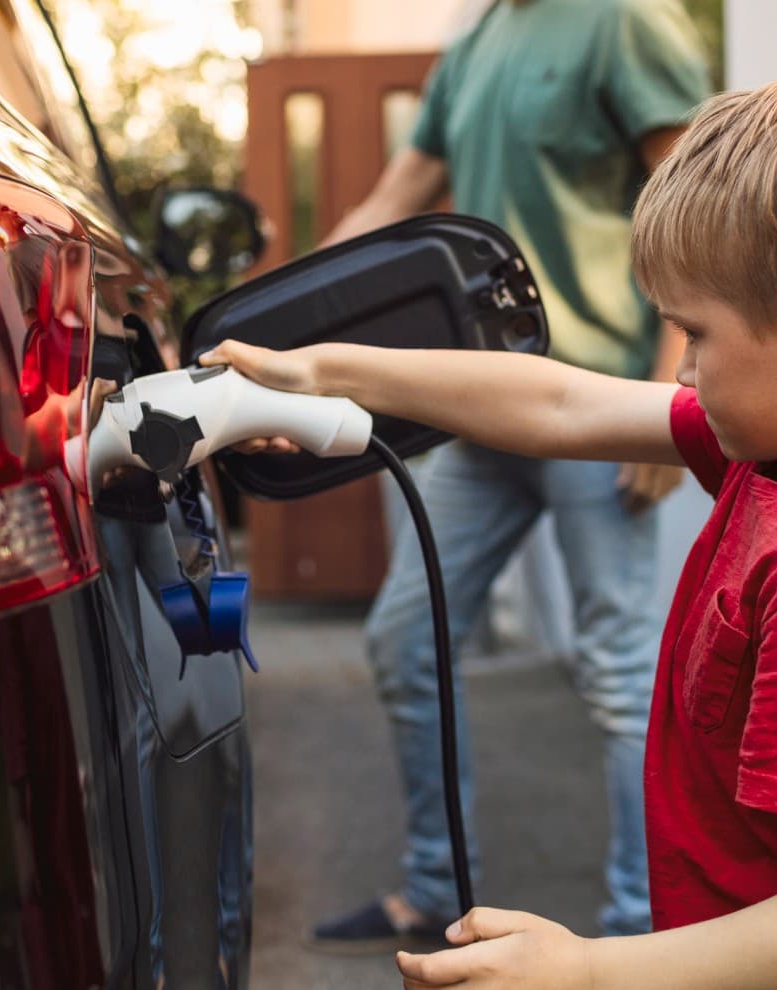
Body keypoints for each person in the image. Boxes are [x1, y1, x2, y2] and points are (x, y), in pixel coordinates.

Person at [208, 70, 777, 989]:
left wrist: (591, 970)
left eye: (695, 335)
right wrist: (327, 372)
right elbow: (561, 403)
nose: (685, 370)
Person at [305, 0, 713, 948]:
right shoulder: (476, 42)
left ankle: (639, 932)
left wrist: (672, 395)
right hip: (487, 408)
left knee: (618, 674)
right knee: (405, 640)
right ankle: (434, 889)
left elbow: (696, 204)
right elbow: (390, 202)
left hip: (600, 406)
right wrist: (274, 319)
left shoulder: (622, 21)